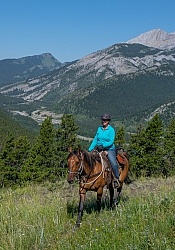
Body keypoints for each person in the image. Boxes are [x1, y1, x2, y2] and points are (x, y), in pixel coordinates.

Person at [88, 114, 120, 188]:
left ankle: (116, 178)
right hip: (99, 148)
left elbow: (111, 141)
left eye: (105, 120)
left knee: (113, 163)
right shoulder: (99, 129)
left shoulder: (111, 130)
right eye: (102, 120)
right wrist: (90, 149)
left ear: (108, 121)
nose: (103, 122)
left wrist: (103, 146)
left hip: (109, 149)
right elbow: (96, 139)